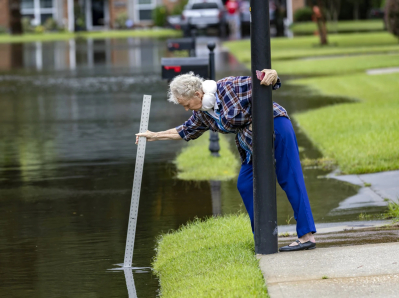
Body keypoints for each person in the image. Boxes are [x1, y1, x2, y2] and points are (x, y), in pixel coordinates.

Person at [135, 70, 317, 252]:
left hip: (275, 125)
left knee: (289, 177)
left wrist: (272, 74)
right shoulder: (203, 113)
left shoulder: (230, 86)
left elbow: (265, 82)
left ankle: (306, 236)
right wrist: (153, 136)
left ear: (198, 94)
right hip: (252, 142)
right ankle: (263, 237)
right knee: (245, 184)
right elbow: (184, 130)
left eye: (187, 104)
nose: (186, 109)